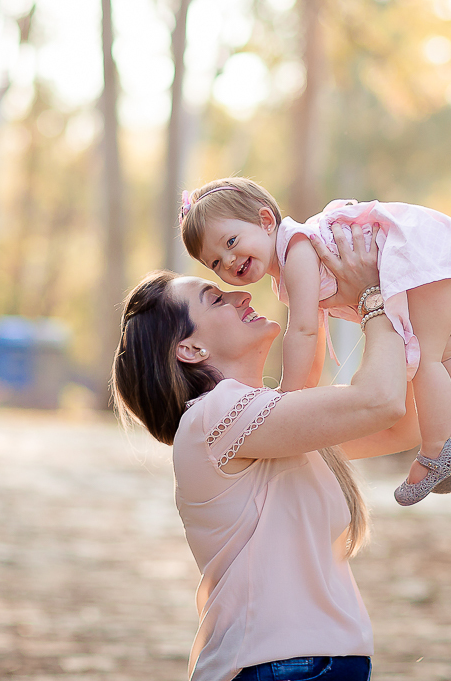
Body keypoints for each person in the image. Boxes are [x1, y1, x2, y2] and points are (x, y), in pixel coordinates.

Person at [113, 224, 416, 681]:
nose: (242, 295)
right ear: (190, 349)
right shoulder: (212, 418)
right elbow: (381, 400)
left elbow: (404, 423)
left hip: (328, 661)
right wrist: (375, 295)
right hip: (276, 666)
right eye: (216, 298)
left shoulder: (271, 420)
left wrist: (374, 299)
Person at [178, 178, 451, 505]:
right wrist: (301, 394)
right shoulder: (297, 255)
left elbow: (303, 331)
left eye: (231, 242)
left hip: (419, 261)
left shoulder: (298, 251)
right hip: (443, 254)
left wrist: (286, 396)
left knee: (427, 361)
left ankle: (435, 453)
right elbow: (314, 341)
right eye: (215, 263)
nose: (228, 261)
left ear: (265, 221)